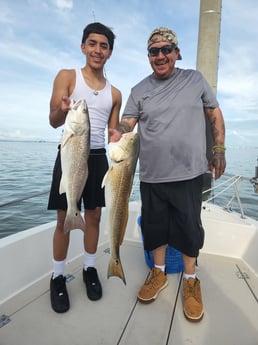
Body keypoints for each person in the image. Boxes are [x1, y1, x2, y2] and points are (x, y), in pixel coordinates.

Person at [109, 27, 226, 322]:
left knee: (189, 228)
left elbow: (214, 113)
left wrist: (220, 149)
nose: (160, 56)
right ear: (148, 56)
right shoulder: (139, 90)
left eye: (165, 50)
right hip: (151, 175)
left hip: (189, 172)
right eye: (154, 51)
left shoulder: (194, 79)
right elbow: (128, 123)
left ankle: (190, 280)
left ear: (176, 53)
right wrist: (119, 132)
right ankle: (158, 274)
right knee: (155, 227)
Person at [48, 22, 122, 313]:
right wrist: (62, 109)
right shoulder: (67, 76)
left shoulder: (115, 93)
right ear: (83, 47)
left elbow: (113, 133)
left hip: (98, 157)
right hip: (70, 152)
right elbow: (54, 120)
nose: (97, 50)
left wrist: (120, 137)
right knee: (63, 218)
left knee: (93, 216)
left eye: (103, 46)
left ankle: (89, 269)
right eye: (92, 43)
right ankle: (57, 276)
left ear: (110, 52)